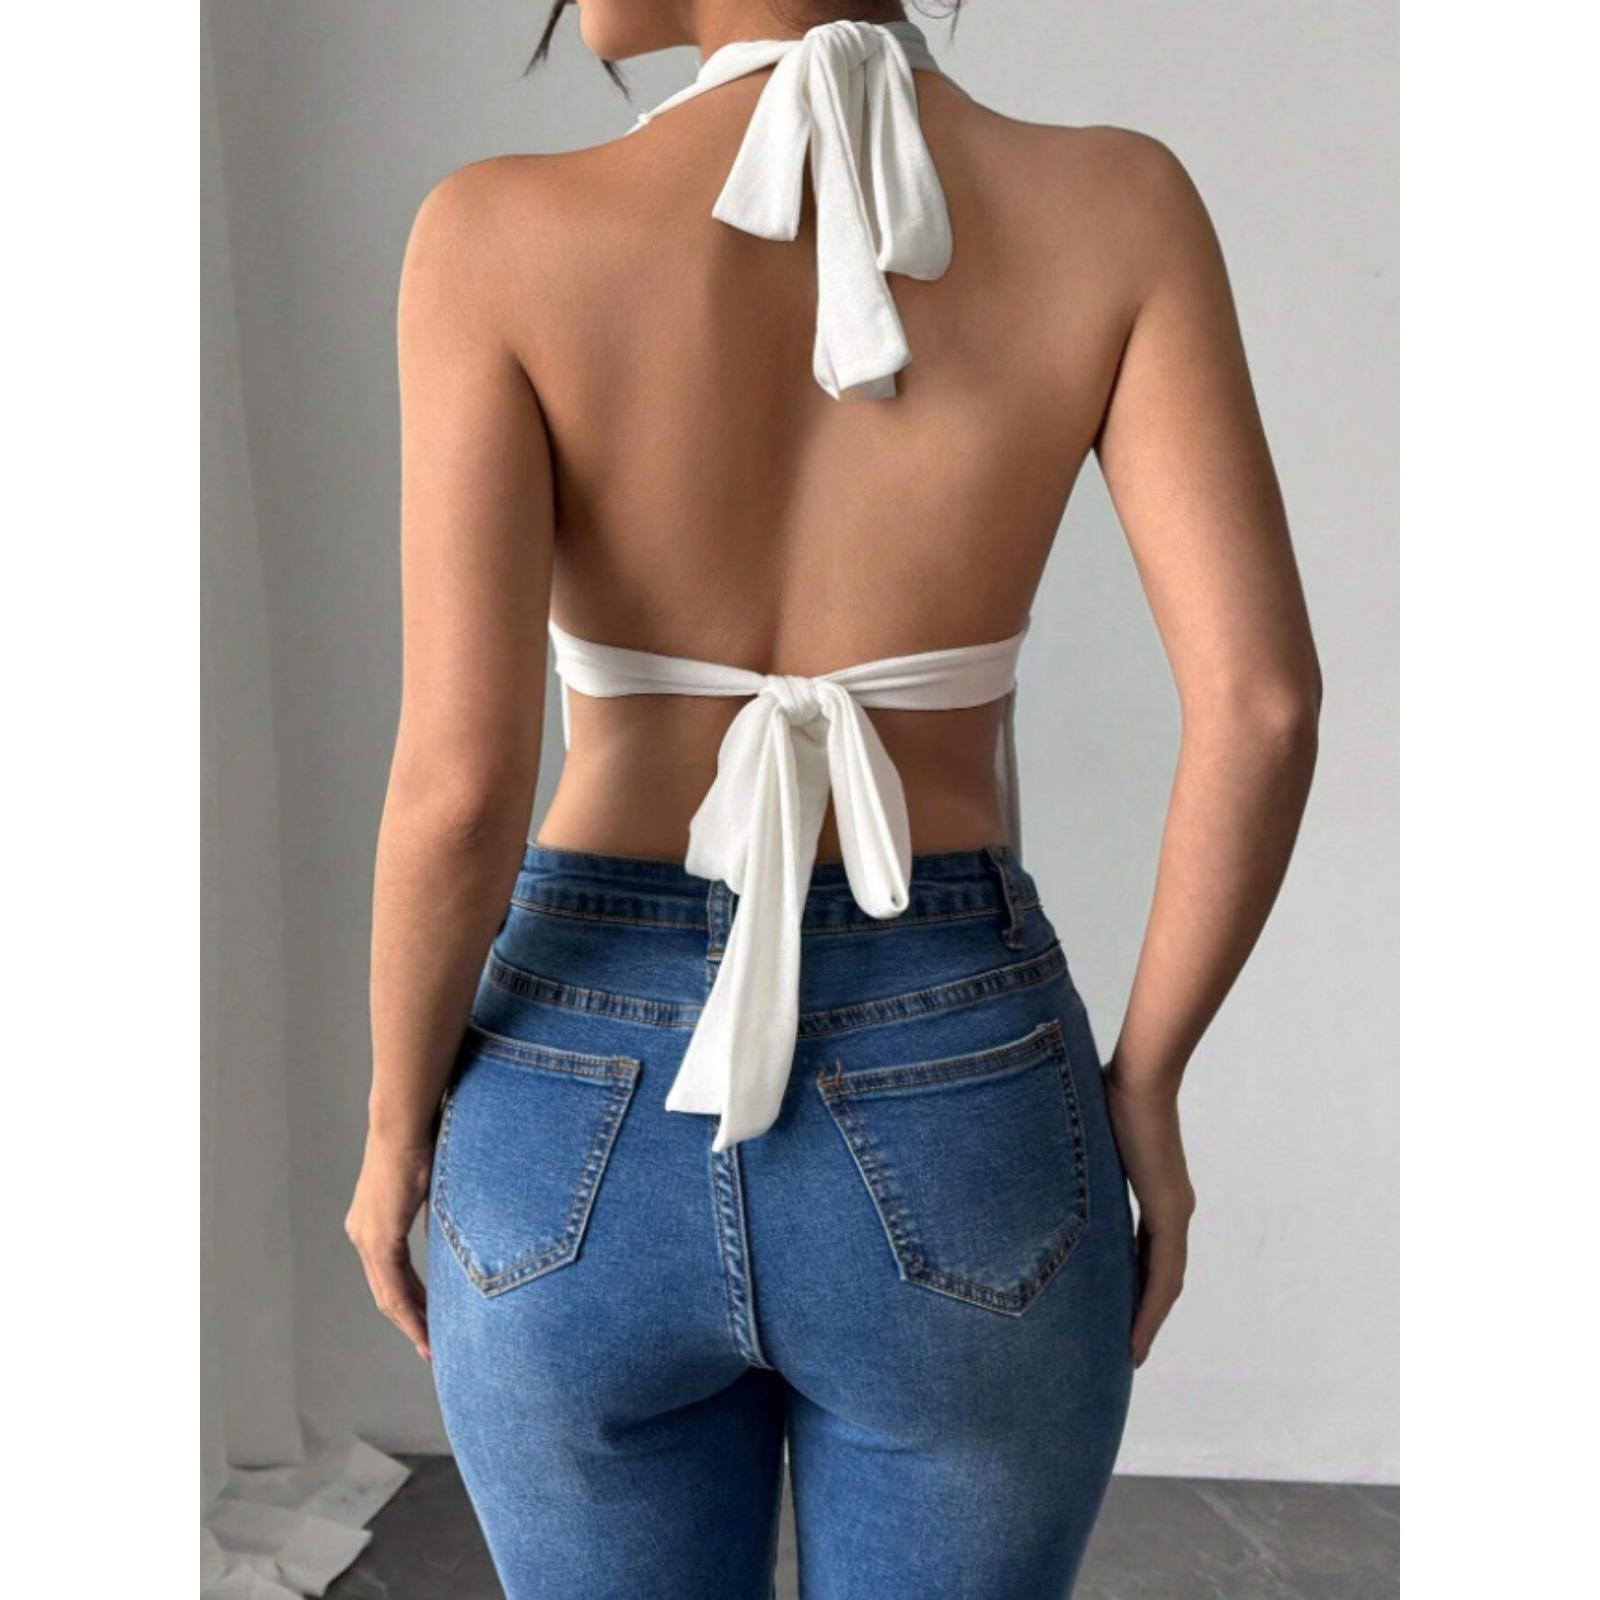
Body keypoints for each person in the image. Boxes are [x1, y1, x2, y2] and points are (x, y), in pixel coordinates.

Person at [344, 3, 1321, 1595]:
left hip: (571, 1097)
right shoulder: (1121, 203)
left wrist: (397, 1130)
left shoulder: (493, 233)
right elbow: (1264, 709)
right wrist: (1145, 1083)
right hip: (965, 1084)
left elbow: (459, 791)